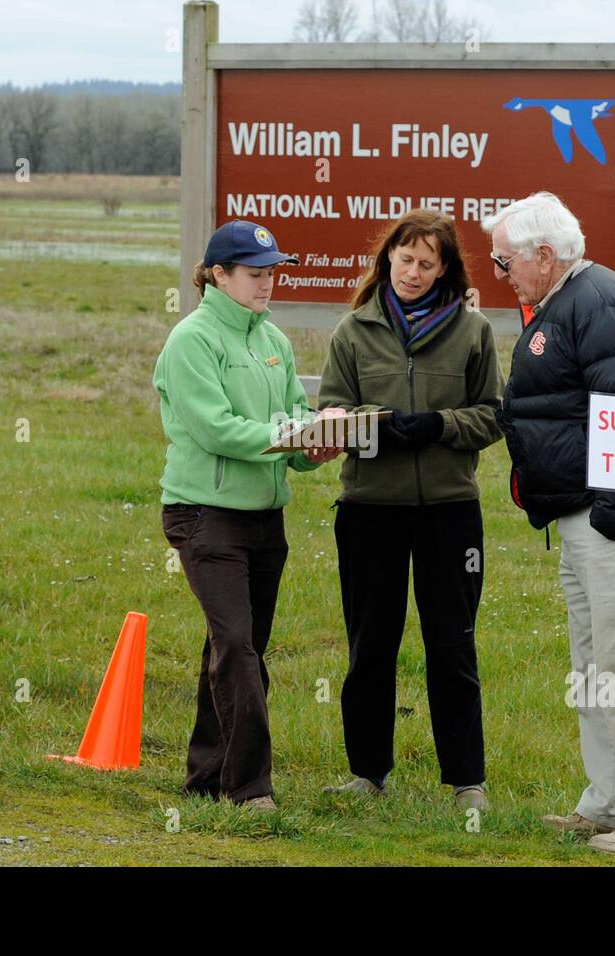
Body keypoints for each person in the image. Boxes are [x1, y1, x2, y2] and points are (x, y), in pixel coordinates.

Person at [482, 191, 615, 859]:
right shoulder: (565, 301)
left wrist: (612, 515)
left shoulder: (601, 302)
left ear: (545, 256)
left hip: (614, 517)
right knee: (596, 666)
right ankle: (606, 805)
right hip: (580, 515)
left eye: (505, 259)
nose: (499, 271)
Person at [317, 208, 503, 811]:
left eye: (427, 263)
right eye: (405, 259)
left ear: (445, 270)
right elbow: (332, 414)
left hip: (450, 512)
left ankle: (466, 781)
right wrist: (373, 429)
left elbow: (494, 415)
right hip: (369, 508)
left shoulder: (473, 332)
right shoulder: (353, 331)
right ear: (387, 258)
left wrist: (436, 426)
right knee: (371, 644)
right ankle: (368, 773)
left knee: (453, 644)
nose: (414, 272)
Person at [153, 219, 342, 812]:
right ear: (218, 275)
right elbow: (216, 429)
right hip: (203, 514)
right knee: (237, 646)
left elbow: (291, 420)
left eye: (272, 273)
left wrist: (316, 447)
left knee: (238, 645)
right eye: (257, 275)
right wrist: (292, 433)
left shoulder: (274, 342)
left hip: (265, 517)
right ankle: (251, 788)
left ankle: (205, 777)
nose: (268, 285)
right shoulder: (191, 341)